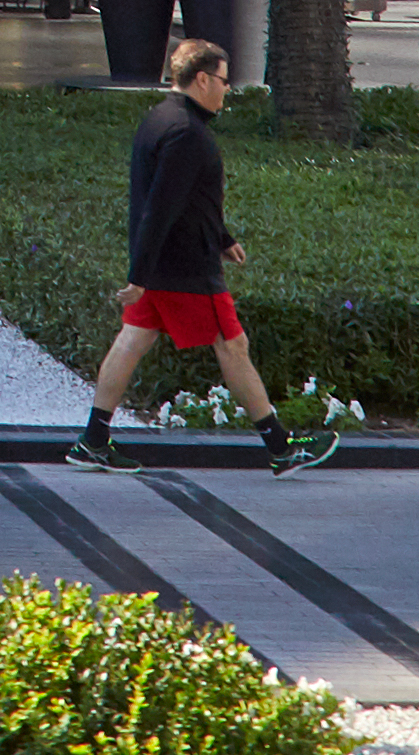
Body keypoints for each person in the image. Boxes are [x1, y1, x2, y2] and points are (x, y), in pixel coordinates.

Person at [75, 35, 335, 471]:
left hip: (164, 265)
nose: (227, 89)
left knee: (132, 341)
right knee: (233, 347)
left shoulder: (159, 119)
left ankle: (92, 440)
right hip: (185, 270)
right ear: (201, 79)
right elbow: (161, 207)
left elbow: (186, 198)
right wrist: (139, 273)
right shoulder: (187, 134)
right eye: (222, 80)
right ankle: (281, 448)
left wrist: (221, 238)